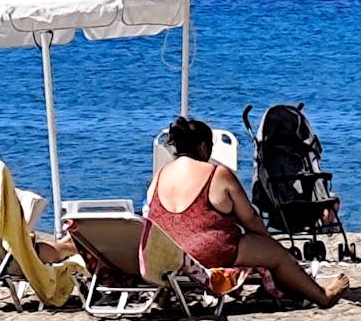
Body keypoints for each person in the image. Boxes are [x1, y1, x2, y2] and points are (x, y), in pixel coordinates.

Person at [145, 116, 350, 306]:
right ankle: (323, 296)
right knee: (277, 255)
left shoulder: (160, 175)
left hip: (167, 255)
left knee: (262, 249)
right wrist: (265, 239)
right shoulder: (217, 174)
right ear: (203, 147)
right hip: (207, 252)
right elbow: (249, 217)